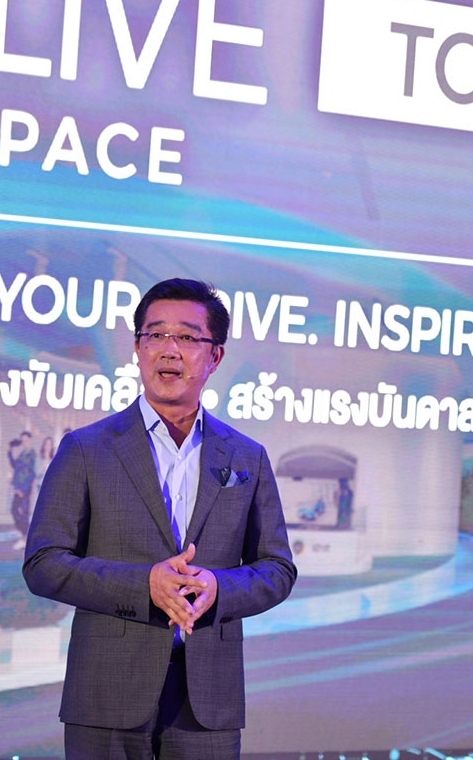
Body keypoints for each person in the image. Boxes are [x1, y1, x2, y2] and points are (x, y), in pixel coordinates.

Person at [23, 278, 297, 759]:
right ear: (137, 348)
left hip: (206, 700)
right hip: (106, 694)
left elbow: (277, 569)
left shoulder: (247, 457)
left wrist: (218, 587)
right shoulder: (86, 449)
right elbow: (43, 563)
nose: (169, 349)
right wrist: (143, 585)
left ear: (215, 356)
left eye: (187, 337)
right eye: (156, 335)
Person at [8, 430, 37, 549]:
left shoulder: (32, 454)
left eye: (26, 440)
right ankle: (26, 534)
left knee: (24, 513)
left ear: (30, 440)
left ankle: (26, 538)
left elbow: (31, 473)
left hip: (24, 489)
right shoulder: (22, 454)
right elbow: (15, 465)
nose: (24, 442)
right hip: (18, 488)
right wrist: (10, 451)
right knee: (14, 510)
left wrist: (23, 490)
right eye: (22, 440)